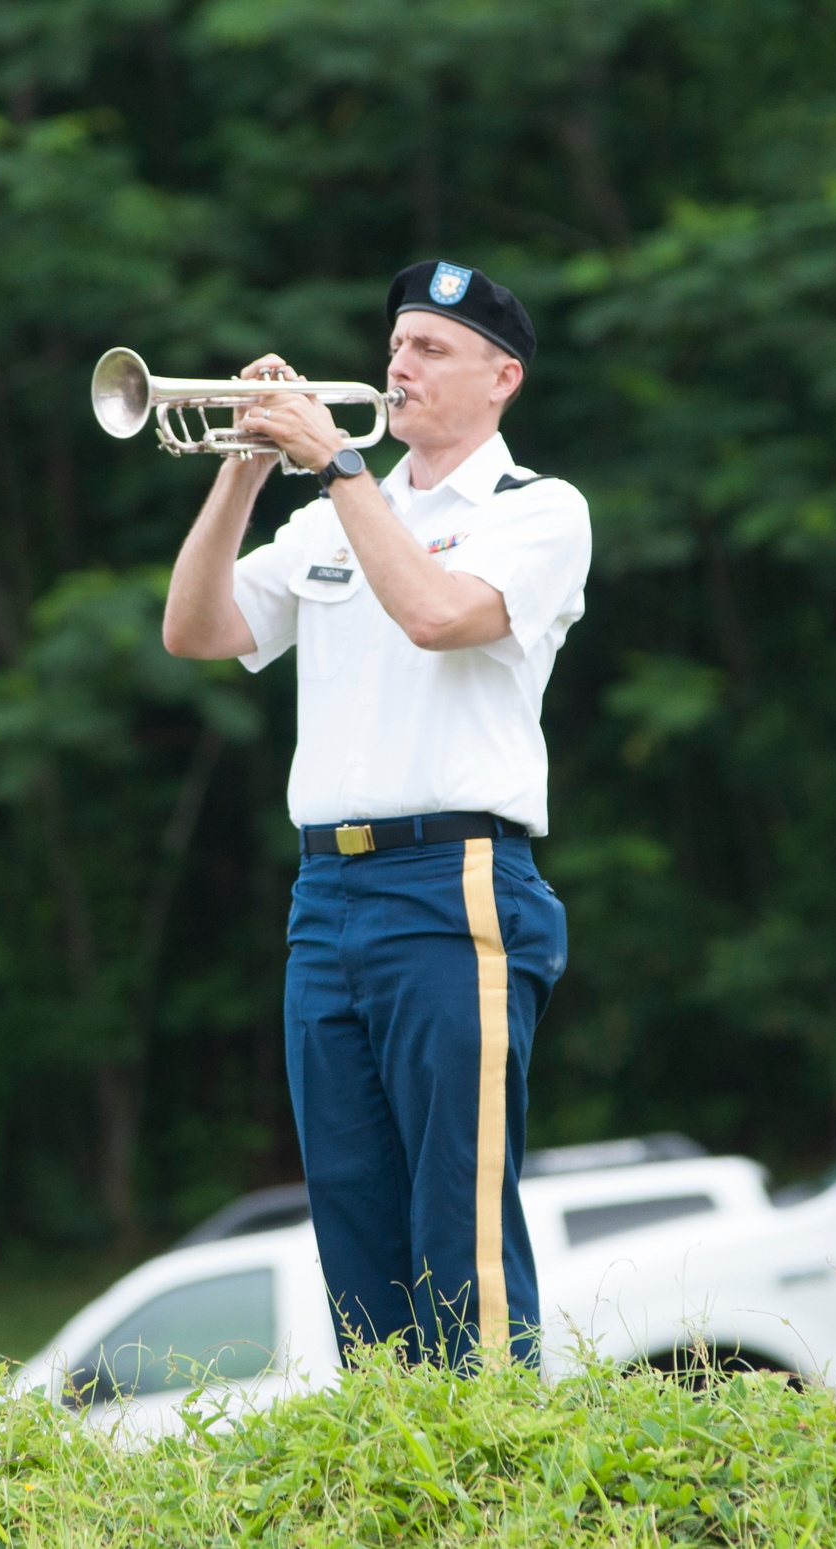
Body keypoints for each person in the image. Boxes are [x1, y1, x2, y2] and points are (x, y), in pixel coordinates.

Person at [163, 260, 592, 1368]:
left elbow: (439, 613)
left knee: (459, 1218)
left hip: (454, 884)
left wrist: (340, 464)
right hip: (328, 894)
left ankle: (497, 1490)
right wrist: (247, 472)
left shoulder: (535, 509)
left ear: (503, 377)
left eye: (432, 349)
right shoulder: (331, 514)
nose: (399, 366)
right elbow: (197, 631)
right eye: (397, 345)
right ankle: (395, 1485)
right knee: (352, 1221)